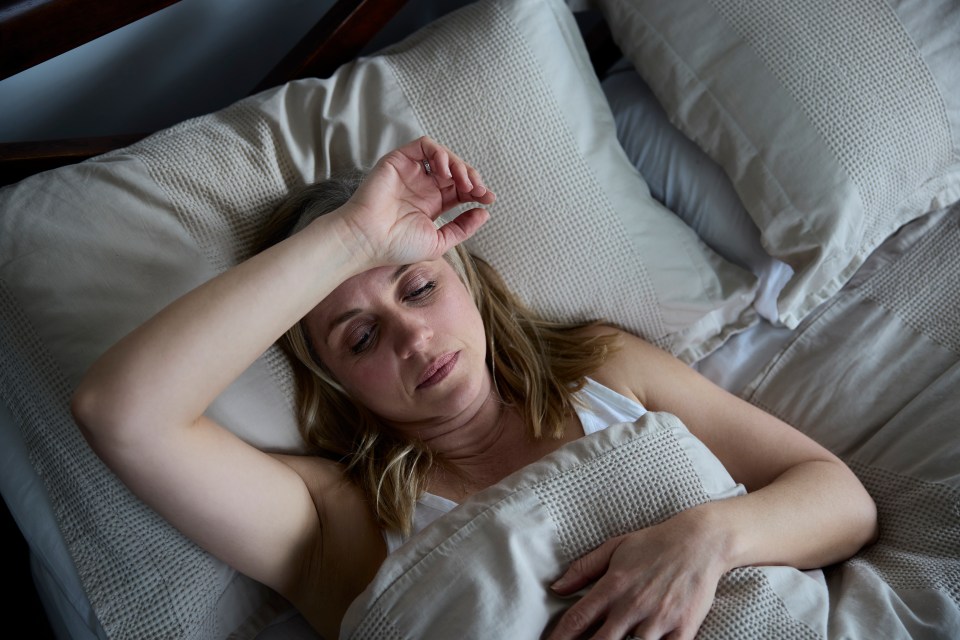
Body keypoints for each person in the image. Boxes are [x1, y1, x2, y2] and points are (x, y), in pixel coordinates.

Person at [72, 136, 878, 640]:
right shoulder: (334, 520)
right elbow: (123, 413)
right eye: (359, 337)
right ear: (336, 382)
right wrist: (352, 237)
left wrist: (706, 539)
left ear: (469, 281)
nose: (413, 337)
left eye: (418, 290)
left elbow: (840, 499)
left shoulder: (602, 368)